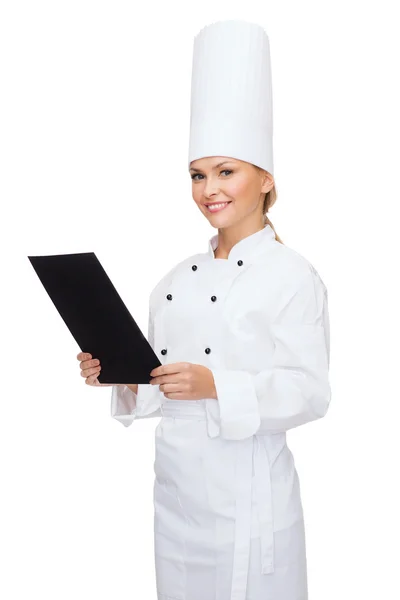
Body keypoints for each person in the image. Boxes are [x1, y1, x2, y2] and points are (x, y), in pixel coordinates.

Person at [77, 19, 331, 600]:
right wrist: (115, 375)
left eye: (226, 172)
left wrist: (218, 384)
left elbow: (310, 390)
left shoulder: (292, 276)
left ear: (264, 179)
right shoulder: (174, 281)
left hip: (250, 505)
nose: (208, 190)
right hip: (178, 501)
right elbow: (158, 386)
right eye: (198, 174)